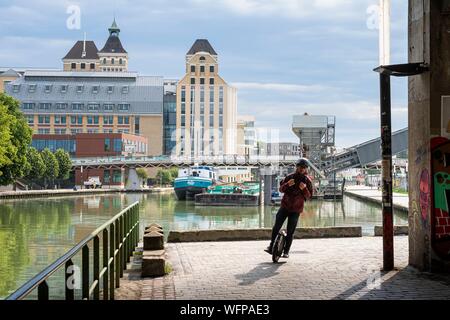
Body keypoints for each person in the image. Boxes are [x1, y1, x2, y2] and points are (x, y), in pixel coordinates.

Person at [265, 159, 313, 258]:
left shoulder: (307, 181)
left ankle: (286, 251)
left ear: (306, 169)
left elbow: (309, 197)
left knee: (290, 231)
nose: (301, 169)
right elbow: (281, 189)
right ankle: (271, 246)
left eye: (304, 168)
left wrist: (304, 189)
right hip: (285, 207)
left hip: (296, 210)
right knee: (276, 226)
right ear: (297, 167)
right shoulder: (289, 177)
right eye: (300, 167)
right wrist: (287, 184)